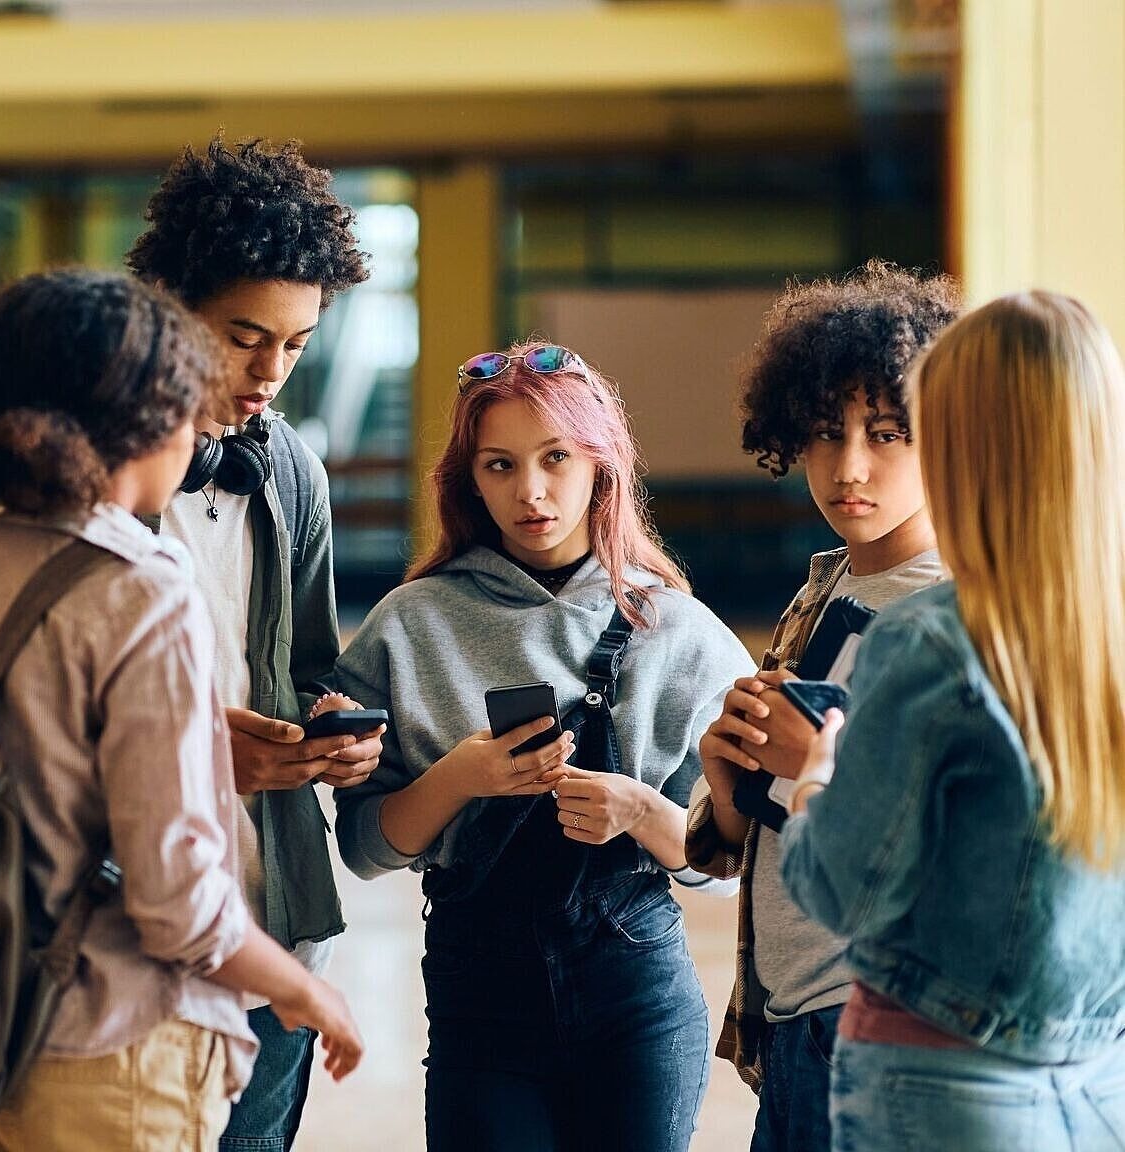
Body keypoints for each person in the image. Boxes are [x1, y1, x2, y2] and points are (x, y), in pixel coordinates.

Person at [0, 269, 362, 1152]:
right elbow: (175, 897)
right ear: (135, 424)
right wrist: (300, 988)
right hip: (108, 1047)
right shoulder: (142, 593)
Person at [330, 341, 754, 1151]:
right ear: (469, 479)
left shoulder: (680, 633)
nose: (530, 491)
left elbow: (725, 869)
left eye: (556, 457)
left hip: (637, 1005)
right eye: (499, 465)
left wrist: (635, 809)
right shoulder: (411, 625)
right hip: (480, 1013)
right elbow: (364, 850)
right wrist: (462, 776)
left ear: (602, 465)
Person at [780, 291, 1125, 1152]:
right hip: (1100, 1073)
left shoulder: (934, 640)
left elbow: (841, 889)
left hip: (938, 1081)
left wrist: (817, 770)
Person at [124, 134, 380, 1151]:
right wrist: (184, 749)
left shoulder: (291, 476)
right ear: (167, 306)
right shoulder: (53, 473)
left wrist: (333, 730)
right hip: (112, 932)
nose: (272, 370)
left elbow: (307, 664)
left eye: (298, 344)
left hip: (271, 907)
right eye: (243, 336)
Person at [683, 262, 962, 1152]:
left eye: (887, 436)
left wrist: (818, 768)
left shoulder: (969, 610)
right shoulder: (827, 586)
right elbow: (755, 841)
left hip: (891, 1023)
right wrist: (728, 781)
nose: (850, 468)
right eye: (824, 433)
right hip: (790, 1016)